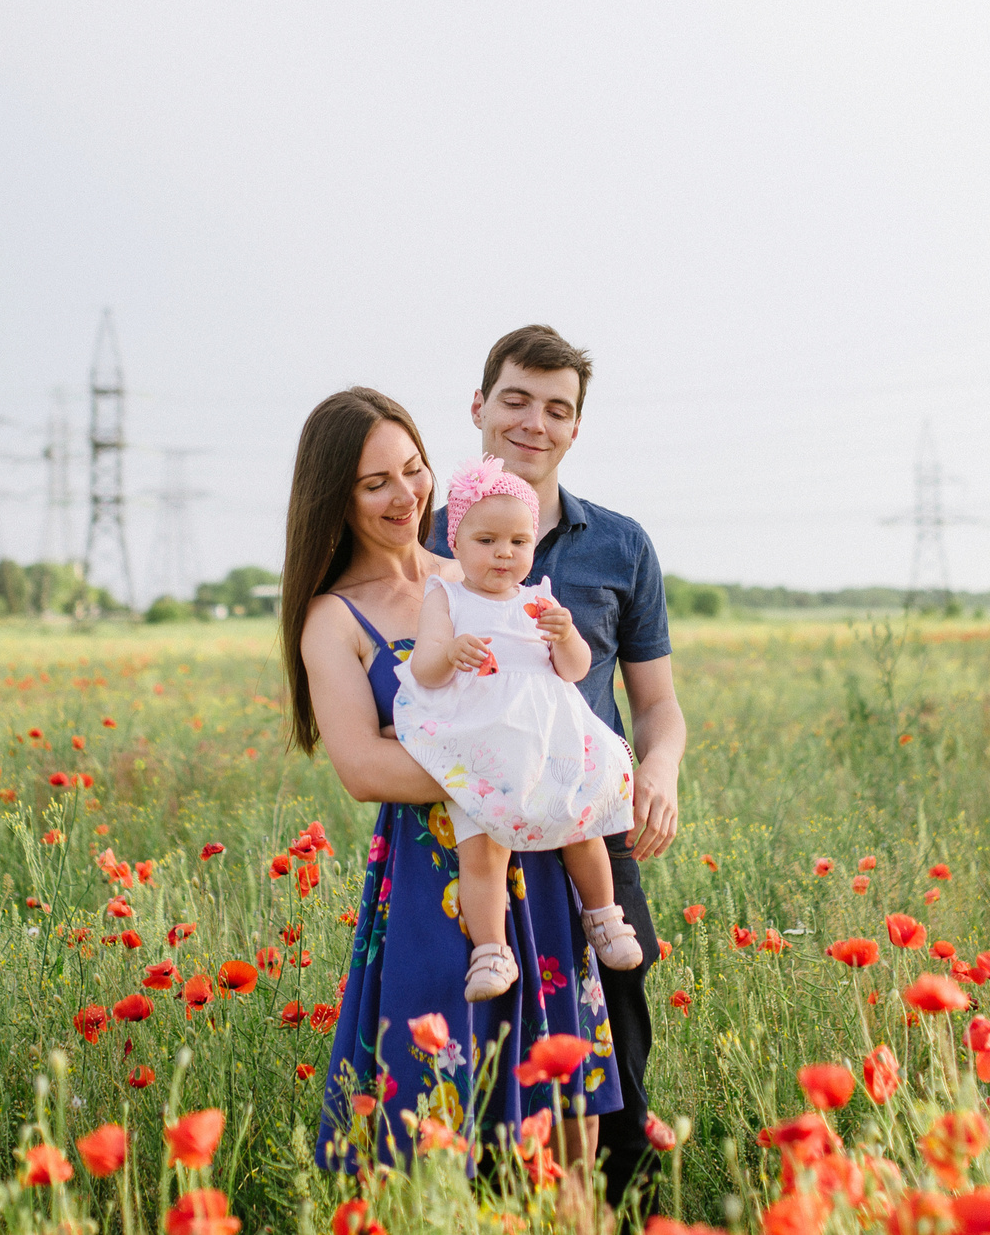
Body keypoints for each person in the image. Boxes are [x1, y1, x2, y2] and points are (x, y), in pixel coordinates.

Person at [282, 387, 622, 1175]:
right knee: (432, 1121)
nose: (407, 496)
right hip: (433, 881)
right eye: (376, 483)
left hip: (539, 859)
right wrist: (502, 767)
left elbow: (558, 702)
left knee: (565, 1133)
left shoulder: (482, 568)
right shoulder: (332, 618)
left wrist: (455, 747)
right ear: (336, 497)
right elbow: (364, 767)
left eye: (413, 468)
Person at [430, 325, 687, 1209]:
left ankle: (621, 1214)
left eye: (557, 408)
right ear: (479, 406)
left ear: (576, 428)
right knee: (481, 1056)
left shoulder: (618, 545)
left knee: (614, 1034)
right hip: (468, 832)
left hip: (589, 821)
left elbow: (657, 703)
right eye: (516, 398)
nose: (534, 421)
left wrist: (661, 771)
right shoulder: (423, 544)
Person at [396, 455, 642, 1001]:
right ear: (454, 544)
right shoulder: (448, 597)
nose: (504, 553)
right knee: (481, 846)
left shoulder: (540, 599)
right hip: (481, 740)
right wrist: (451, 652)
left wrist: (565, 634)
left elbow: (574, 671)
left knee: (582, 826)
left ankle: (603, 916)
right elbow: (423, 669)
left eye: (518, 541)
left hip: (546, 740)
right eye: (485, 541)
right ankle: (490, 950)